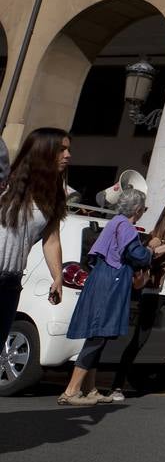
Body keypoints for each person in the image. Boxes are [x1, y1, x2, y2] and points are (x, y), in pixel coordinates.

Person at [59, 186, 152, 405]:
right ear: (137, 209)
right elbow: (137, 256)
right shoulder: (125, 226)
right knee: (98, 335)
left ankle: (90, 388)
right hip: (112, 281)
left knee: (98, 335)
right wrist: (151, 251)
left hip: (101, 277)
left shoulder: (114, 222)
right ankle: (72, 390)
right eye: (143, 208)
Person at [112, 196, 165, 401]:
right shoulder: (157, 235)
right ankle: (117, 385)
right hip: (155, 292)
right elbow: (146, 261)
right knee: (140, 339)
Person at [0, 128, 69, 367]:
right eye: (61, 149)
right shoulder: (5, 185)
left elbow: (51, 240)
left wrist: (58, 277)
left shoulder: (52, 196)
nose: (68, 155)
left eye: (68, 149)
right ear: (43, 152)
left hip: (10, 283)